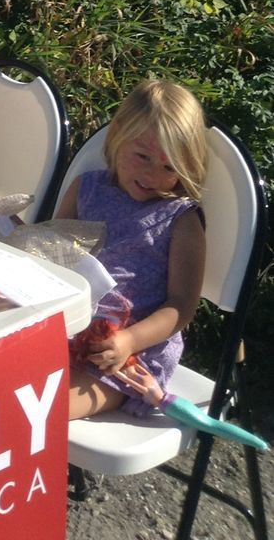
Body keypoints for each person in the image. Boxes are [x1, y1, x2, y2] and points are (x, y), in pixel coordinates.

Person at [55, 80, 208, 420]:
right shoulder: (87, 189)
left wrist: (129, 341)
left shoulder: (181, 219)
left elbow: (181, 307)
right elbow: (54, 253)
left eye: (169, 168)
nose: (152, 174)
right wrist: (11, 225)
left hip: (121, 360)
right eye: (143, 156)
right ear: (118, 136)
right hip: (63, 329)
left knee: (41, 407)